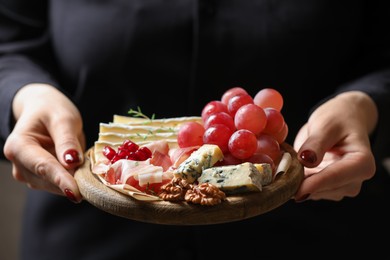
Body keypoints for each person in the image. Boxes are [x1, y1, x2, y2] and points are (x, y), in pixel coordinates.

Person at [1, 0, 390, 259]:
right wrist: (27, 96)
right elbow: (10, 39)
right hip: (88, 235)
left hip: (321, 233)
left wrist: (367, 102)